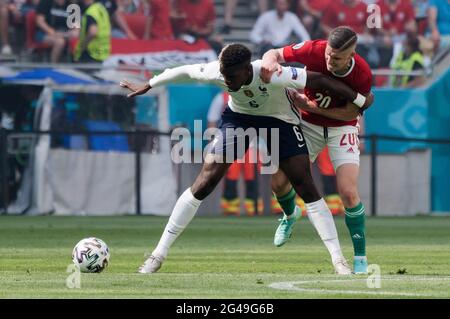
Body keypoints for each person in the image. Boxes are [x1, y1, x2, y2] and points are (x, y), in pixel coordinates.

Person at [120, 43, 372, 275]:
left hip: (280, 120)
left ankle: (338, 260)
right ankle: (157, 255)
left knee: (305, 186)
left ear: (246, 70)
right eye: (224, 76)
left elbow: (317, 79)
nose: (226, 82)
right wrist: (150, 84)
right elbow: (184, 71)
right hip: (239, 119)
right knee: (205, 180)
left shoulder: (271, 73)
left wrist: (359, 100)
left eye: (232, 77)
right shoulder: (219, 73)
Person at [261, 26, 373, 274]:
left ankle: (361, 260)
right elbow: (274, 53)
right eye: (328, 55)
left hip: (341, 129)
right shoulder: (314, 49)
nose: (330, 61)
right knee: (278, 183)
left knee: (348, 193)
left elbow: (351, 112)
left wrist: (310, 106)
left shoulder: (363, 73)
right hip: (308, 126)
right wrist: (269, 63)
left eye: (337, 58)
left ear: (351, 55)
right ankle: (290, 216)